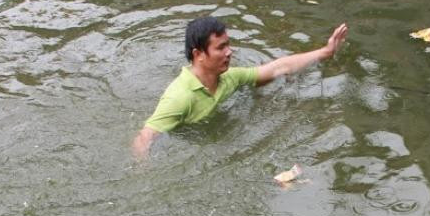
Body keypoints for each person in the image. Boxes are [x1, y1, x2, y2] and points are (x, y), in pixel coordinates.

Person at [131, 16, 348, 157]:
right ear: (198, 55)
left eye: (228, 44)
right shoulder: (180, 97)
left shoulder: (229, 78)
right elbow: (144, 137)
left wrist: (324, 52)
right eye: (221, 47)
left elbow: (276, 69)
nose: (229, 52)